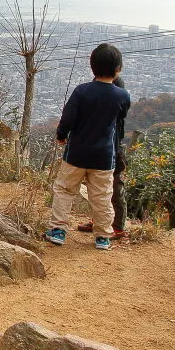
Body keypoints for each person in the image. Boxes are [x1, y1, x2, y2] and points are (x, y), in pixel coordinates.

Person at [44, 43, 131, 251]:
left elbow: (67, 119)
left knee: (65, 190)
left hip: (76, 153)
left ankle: (57, 231)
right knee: (101, 196)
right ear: (118, 69)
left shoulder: (82, 91)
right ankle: (102, 236)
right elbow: (120, 119)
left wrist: (61, 136)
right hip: (104, 157)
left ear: (92, 66)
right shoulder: (122, 96)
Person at [78, 75, 129, 239]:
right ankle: (100, 222)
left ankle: (118, 227)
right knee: (97, 190)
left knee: (114, 189)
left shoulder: (115, 110)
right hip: (99, 152)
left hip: (114, 152)